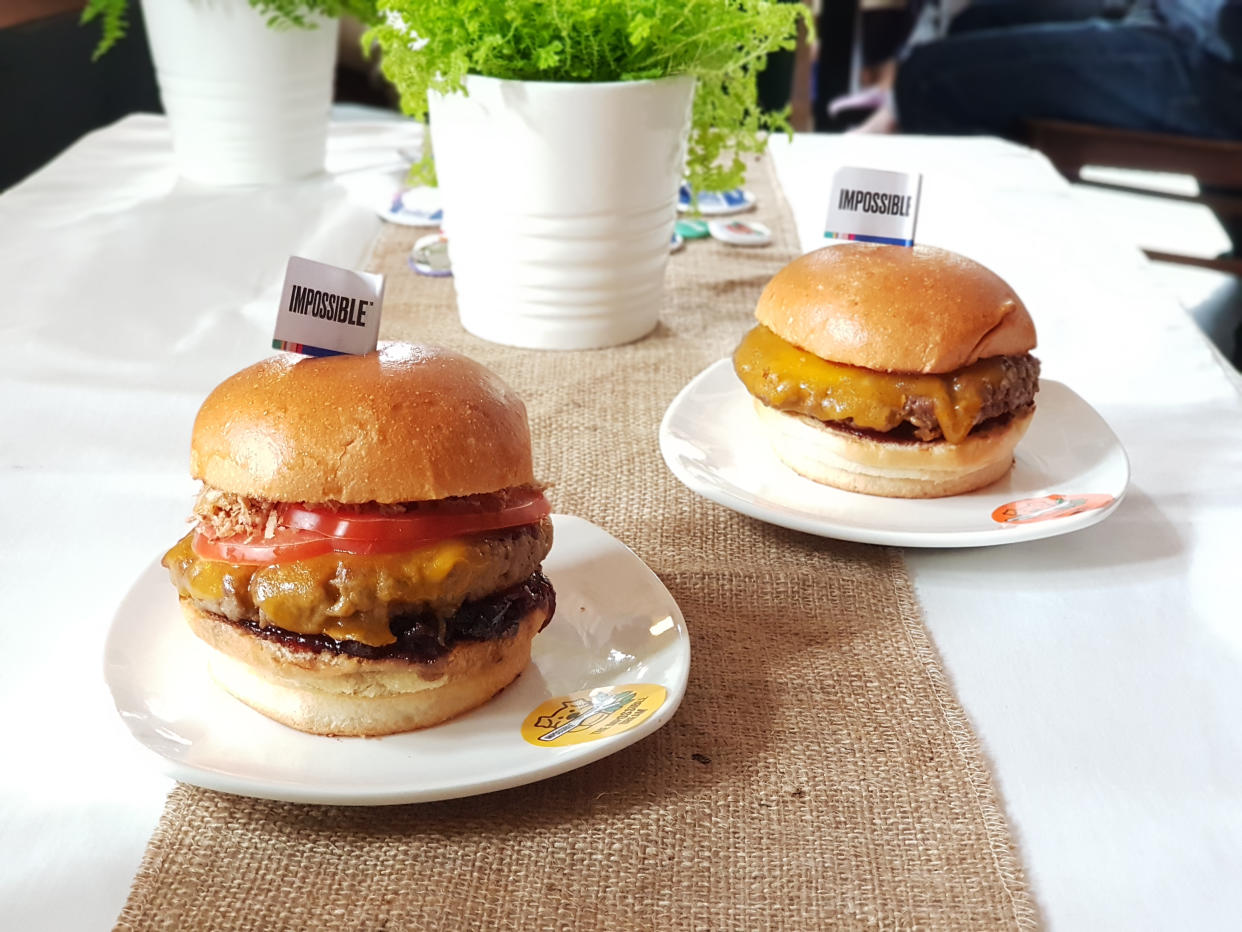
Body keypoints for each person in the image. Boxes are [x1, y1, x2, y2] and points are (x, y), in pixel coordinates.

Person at [894, 0, 1242, 140]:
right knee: (975, 22)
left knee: (928, 79)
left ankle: (938, 277)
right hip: (1171, 16)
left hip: (1211, 68)